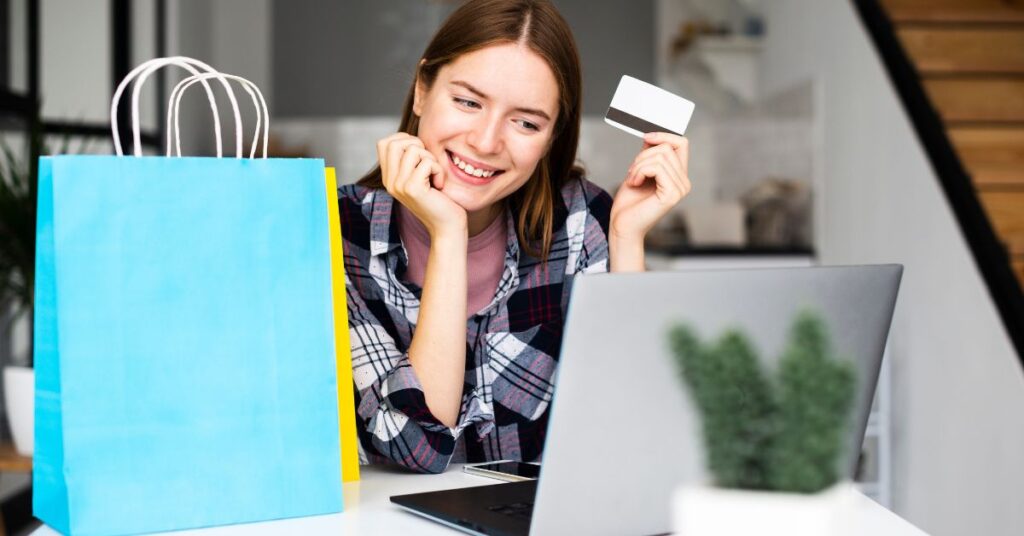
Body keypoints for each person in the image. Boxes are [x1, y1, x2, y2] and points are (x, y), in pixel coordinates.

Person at [339, 0, 690, 474]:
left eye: (526, 122)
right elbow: (418, 446)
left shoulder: (581, 222)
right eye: (467, 101)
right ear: (422, 91)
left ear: (551, 137)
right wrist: (447, 234)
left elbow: (638, 429)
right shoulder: (336, 232)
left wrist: (625, 238)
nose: (485, 142)